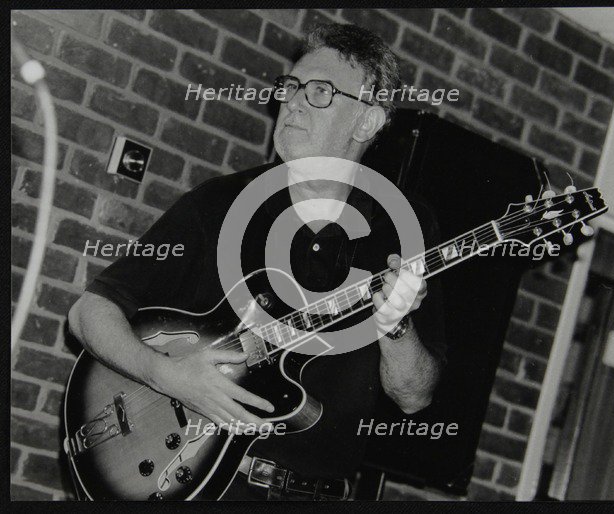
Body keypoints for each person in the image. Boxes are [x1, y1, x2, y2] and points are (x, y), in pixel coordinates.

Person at [68, 23, 446, 500]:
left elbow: (414, 397)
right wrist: (166, 375)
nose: (292, 102)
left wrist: (396, 325)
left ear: (367, 121)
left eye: (320, 92)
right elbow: (88, 313)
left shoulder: (405, 225)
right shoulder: (220, 203)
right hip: (206, 484)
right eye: (291, 87)